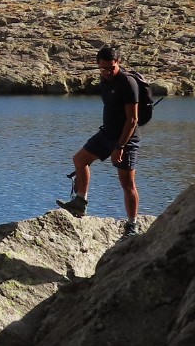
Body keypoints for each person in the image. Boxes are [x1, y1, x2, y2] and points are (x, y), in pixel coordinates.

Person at [57, 45, 142, 236]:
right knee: (80, 160)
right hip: (107, 134)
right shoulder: (104, 81)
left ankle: (132, 224)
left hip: (126, 139)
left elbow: (133, 119)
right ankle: (80, 202)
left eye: (111, 67)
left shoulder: (128, 83)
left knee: (127, 184)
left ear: (118, 63)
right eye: (103, 68)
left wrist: (120, 146)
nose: (107, 72)